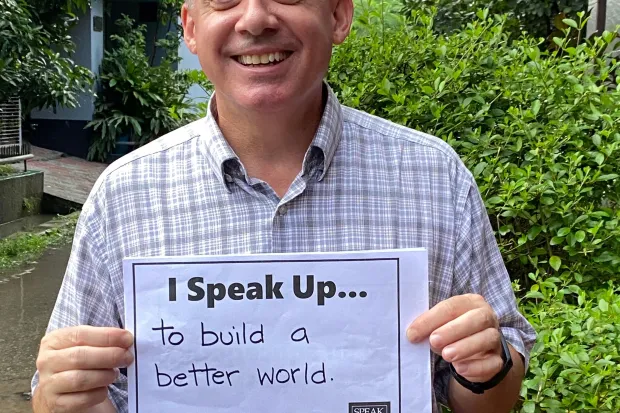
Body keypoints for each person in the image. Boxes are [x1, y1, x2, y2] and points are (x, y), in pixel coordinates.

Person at [30, 0, 536, 412]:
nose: (254, 19)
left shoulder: (433, 177)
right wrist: (62, 398)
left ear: (338, 15)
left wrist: (487, 367)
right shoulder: (124, 195)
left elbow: (494, 396)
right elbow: (66, 392)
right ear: (189, 27)